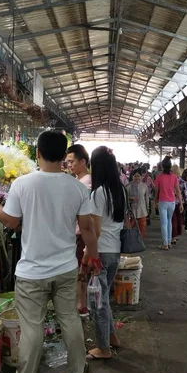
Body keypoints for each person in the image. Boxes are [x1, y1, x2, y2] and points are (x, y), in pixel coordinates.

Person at [0, 131, 99, 373]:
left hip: (32, 272)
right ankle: (79, 369)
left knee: (32, 328)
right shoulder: (77, 187)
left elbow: (10, 221)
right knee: (69, 318)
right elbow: (87, 227)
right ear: (64, 157)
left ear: (37, 153)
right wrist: (92, 256)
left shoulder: (23, 184)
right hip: (65, 268)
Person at [87, 146, 124, 360]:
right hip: (115, 251)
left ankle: (103, 349)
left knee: (97, 302)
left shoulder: (98, 193)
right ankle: (112, 338)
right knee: (104, 298)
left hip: (101, 252)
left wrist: (87, 254)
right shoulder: (120, 190)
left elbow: (96, 230)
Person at [66, 144, 92, 315]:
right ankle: (82, 304)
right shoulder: (78, 181)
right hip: (76, 232)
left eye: (72, 161)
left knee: (81, 272)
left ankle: (82, 305)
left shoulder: (86, 183)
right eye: (67, 162)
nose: (69, 165)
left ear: (83, 161)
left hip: (81, 234)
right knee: (79, 272)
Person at [154, 157, 184, 250]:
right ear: (170, 166)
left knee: (164, 223)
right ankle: (169, 241)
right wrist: (181, 203)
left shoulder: (159, 177)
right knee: (169, 221)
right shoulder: (174, 177)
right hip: (172, 202)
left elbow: (156, 192)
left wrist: (155, 202)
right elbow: (178, 191)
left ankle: (165, 244)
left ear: (162, 167)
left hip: (162, 201)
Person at [126, 168, 150, 238]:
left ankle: (140, 241)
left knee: (142, 227)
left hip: (142, 210)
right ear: (132, 177)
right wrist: (131, 198)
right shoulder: (128, 186)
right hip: (131, 210)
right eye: (135, 176)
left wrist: (148, 209)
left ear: (141, 177)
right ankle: (131, 241)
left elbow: (147, 198)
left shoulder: (144, 186)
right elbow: (124, 198)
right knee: (130, 227)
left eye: (138, 176)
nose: (137, 178)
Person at [171, 165, 187, 244]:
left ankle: (173, 236)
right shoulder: (182, 181)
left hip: (170, 202)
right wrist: (186, 204)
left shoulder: (170, 180)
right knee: (179, 219)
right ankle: (176, 234)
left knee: (173, 220)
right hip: (180, 203)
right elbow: (185, 194)